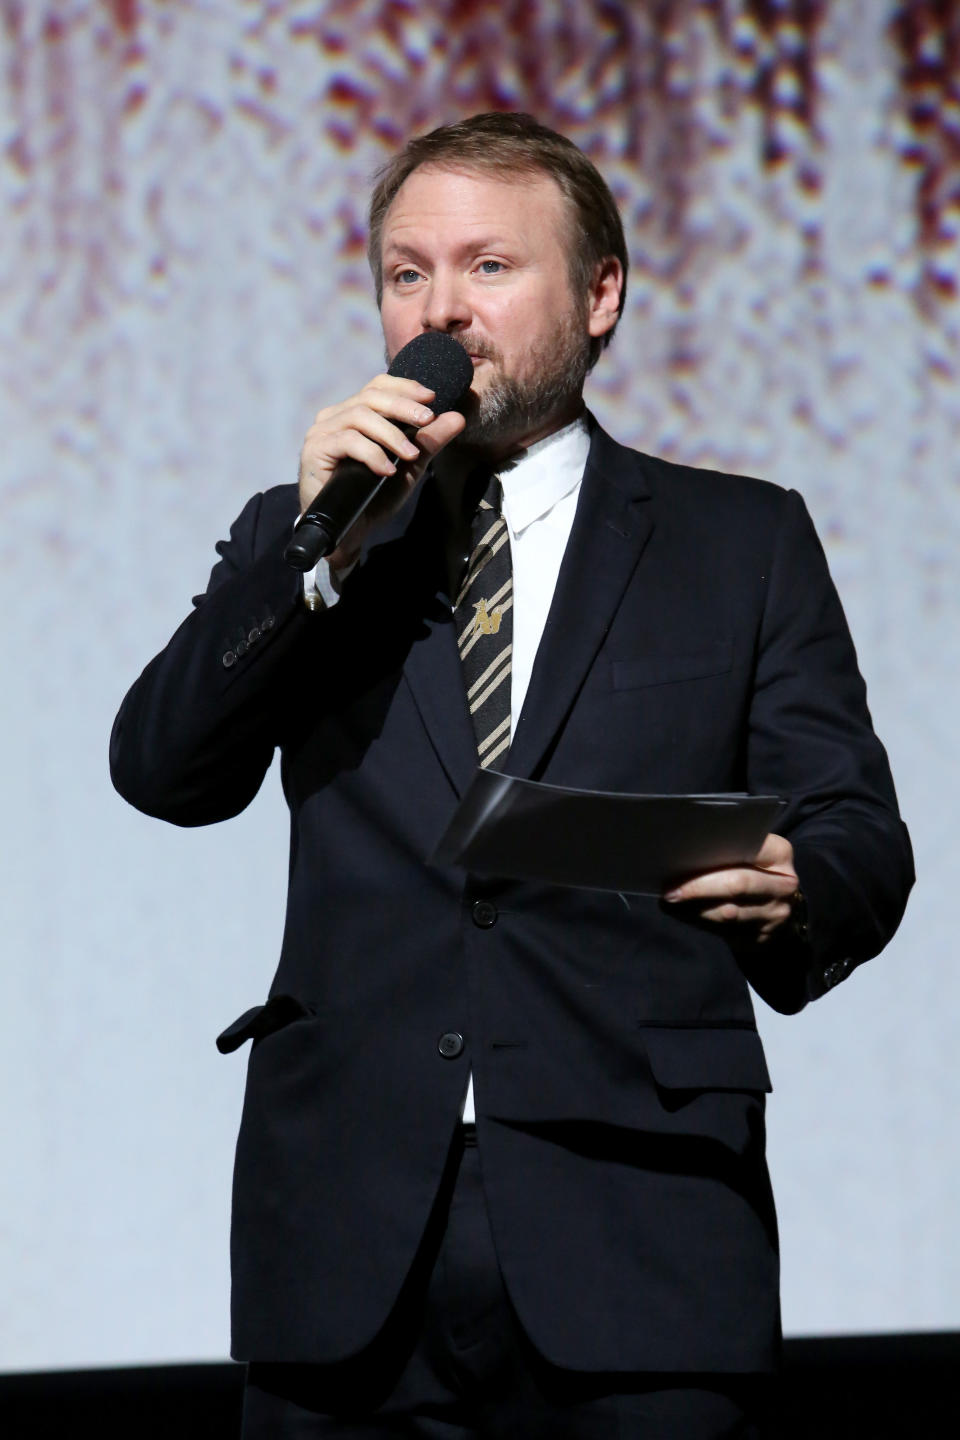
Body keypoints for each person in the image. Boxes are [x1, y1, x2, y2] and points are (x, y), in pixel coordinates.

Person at [110, 112, 913, 1437]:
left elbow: (858, 834)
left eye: (490, 268)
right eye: (407, 274)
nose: (443, 313)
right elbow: (163, 771)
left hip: (639, 1226)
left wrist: (800, 887)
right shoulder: (303, 545)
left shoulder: (738, 540)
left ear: (601, 297)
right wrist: (308, 562)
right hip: (348, 1237)